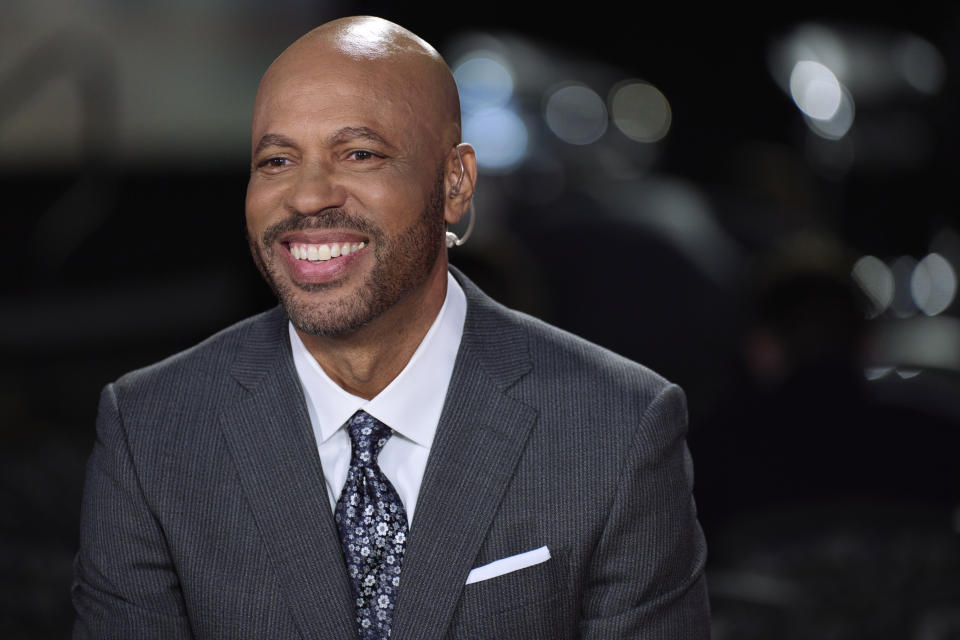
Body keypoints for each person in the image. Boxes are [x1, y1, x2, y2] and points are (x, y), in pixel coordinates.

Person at [71, 15, 710, 639]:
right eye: (276, 161)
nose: (308, 196)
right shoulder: (151, 429)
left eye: (359, 153)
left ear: (455, 183)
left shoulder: (616, 428)